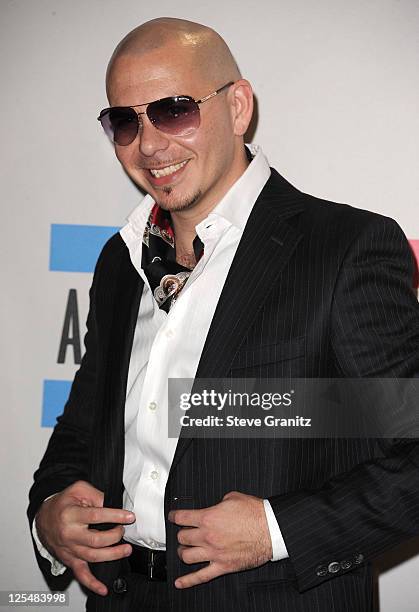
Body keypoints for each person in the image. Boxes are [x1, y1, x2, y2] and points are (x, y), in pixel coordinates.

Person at [28, 17, 419, 612]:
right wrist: (50, 513)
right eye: (125, 121)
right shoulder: (120, 260)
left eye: (174, 109)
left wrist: (276, 531)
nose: (149, 144)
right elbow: (84, 429)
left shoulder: (344, 249)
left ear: (238, 107)